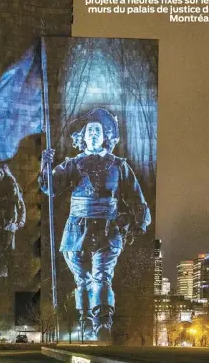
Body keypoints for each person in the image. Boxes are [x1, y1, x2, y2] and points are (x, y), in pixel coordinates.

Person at [39, 108, 151, 341]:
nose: (92, 134)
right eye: (89, 130)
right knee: (83, 279)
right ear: (82, 136)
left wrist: (137, 221)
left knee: (102, 276)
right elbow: (51, 187)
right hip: (76, 230)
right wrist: (45, 166)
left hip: (107, 230)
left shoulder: (119, 166)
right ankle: (86, 321)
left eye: (97, 130)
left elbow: (135, 197)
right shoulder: (72, 164)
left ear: (105, 135)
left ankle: (102, 323)